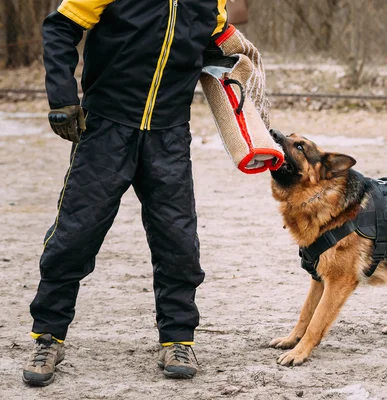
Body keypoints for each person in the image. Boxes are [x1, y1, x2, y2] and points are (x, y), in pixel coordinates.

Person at [22, 0, 262, 386]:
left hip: (169, 134)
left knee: (178, 242)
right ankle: (47, 337)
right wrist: (62, 97)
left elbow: (210, 40)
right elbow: (60, 28)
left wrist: (236, 56)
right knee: (75, 235)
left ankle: (178, 340)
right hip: (105, 127)